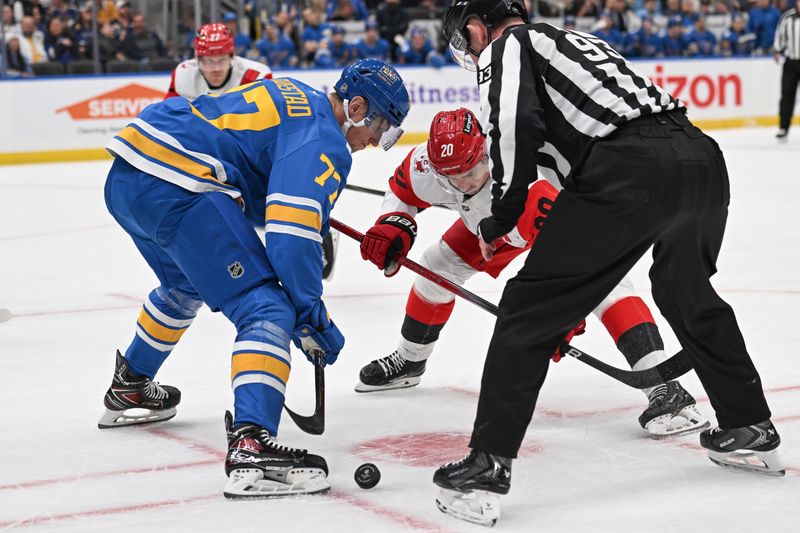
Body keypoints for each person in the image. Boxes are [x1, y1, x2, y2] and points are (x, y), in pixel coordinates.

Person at [435, 0, 783, 526]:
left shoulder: (509, 45)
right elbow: (569, 159)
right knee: (684, 290)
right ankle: (749, 424)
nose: (471, 50)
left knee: (528, 308)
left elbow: (512, 128)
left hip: (629, 167)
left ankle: (487, 466)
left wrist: (497, 221)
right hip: (699, 159)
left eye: (468, 39)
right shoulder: (576, 42)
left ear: (478, 27)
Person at [98, 58, 410, 499]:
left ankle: (130, 384)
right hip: (179, 187)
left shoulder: (297, 91)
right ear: (357, 107)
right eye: (381, 128)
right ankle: (252, 445)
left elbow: (254, 176)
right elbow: (289, 239)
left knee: (184, 286)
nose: (376, 141)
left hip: (129, 178)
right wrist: (310, 316)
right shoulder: (327, 140)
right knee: (268, 309)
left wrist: (314, 216)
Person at [356, 107, 707, 439]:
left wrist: (560, 314)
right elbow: (402, 191)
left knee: (607, 285)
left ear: (486, 154)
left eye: (469, 173)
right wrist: (393, 223)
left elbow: (572, 255)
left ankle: (665, 387)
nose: (462, 184)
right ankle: (410, 361)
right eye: (451, 178)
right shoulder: (429, 165)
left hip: (571, 214)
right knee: (436, 267)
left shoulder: (531, 176)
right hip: (494, 225)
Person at [165, 23, 271, 100]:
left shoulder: (255, 77)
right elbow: (166, 117)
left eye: (222, 60)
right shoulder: (183, 74)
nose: (217, 69)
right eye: (209, 61)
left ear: (232, 57)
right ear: (198, 60)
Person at [773, 0, 800, 141]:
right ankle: (783, 128)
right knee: (787, 96)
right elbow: (780, 35)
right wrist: (777, 50)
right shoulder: (787, 17)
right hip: (791, 62)